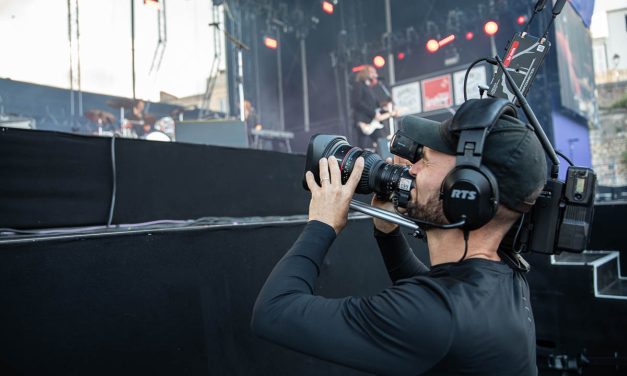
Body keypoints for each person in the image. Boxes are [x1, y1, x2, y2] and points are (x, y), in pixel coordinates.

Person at [251, 105, 547, 375]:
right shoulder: (506, 275)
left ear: (466, 192)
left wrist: (322, 223)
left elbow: (274, 311)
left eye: (425, 161)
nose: (411, 168)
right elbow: (435, 292)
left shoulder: (437, 319)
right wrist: (386, 232)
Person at [350, 65, 396, 150]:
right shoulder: (358, 85)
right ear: (366, 73)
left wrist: (384, 106)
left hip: (373, 121)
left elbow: (374, 105)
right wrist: (374, 113)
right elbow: (356, 102)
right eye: (373, 72)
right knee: (362, 146)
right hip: (364, 120)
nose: (375, 74)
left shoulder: (369, 89)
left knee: (382, 142)